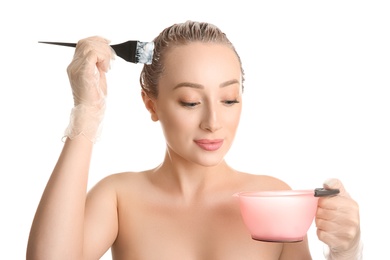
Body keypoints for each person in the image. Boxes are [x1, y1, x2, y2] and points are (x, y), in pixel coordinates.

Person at [26, 20, 362, 259]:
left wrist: (346, 253)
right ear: (151, 104)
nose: (213, 122)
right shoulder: (119, 198)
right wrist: (87, 112)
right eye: (190, 102)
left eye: (229, 99)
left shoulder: (272, 202)